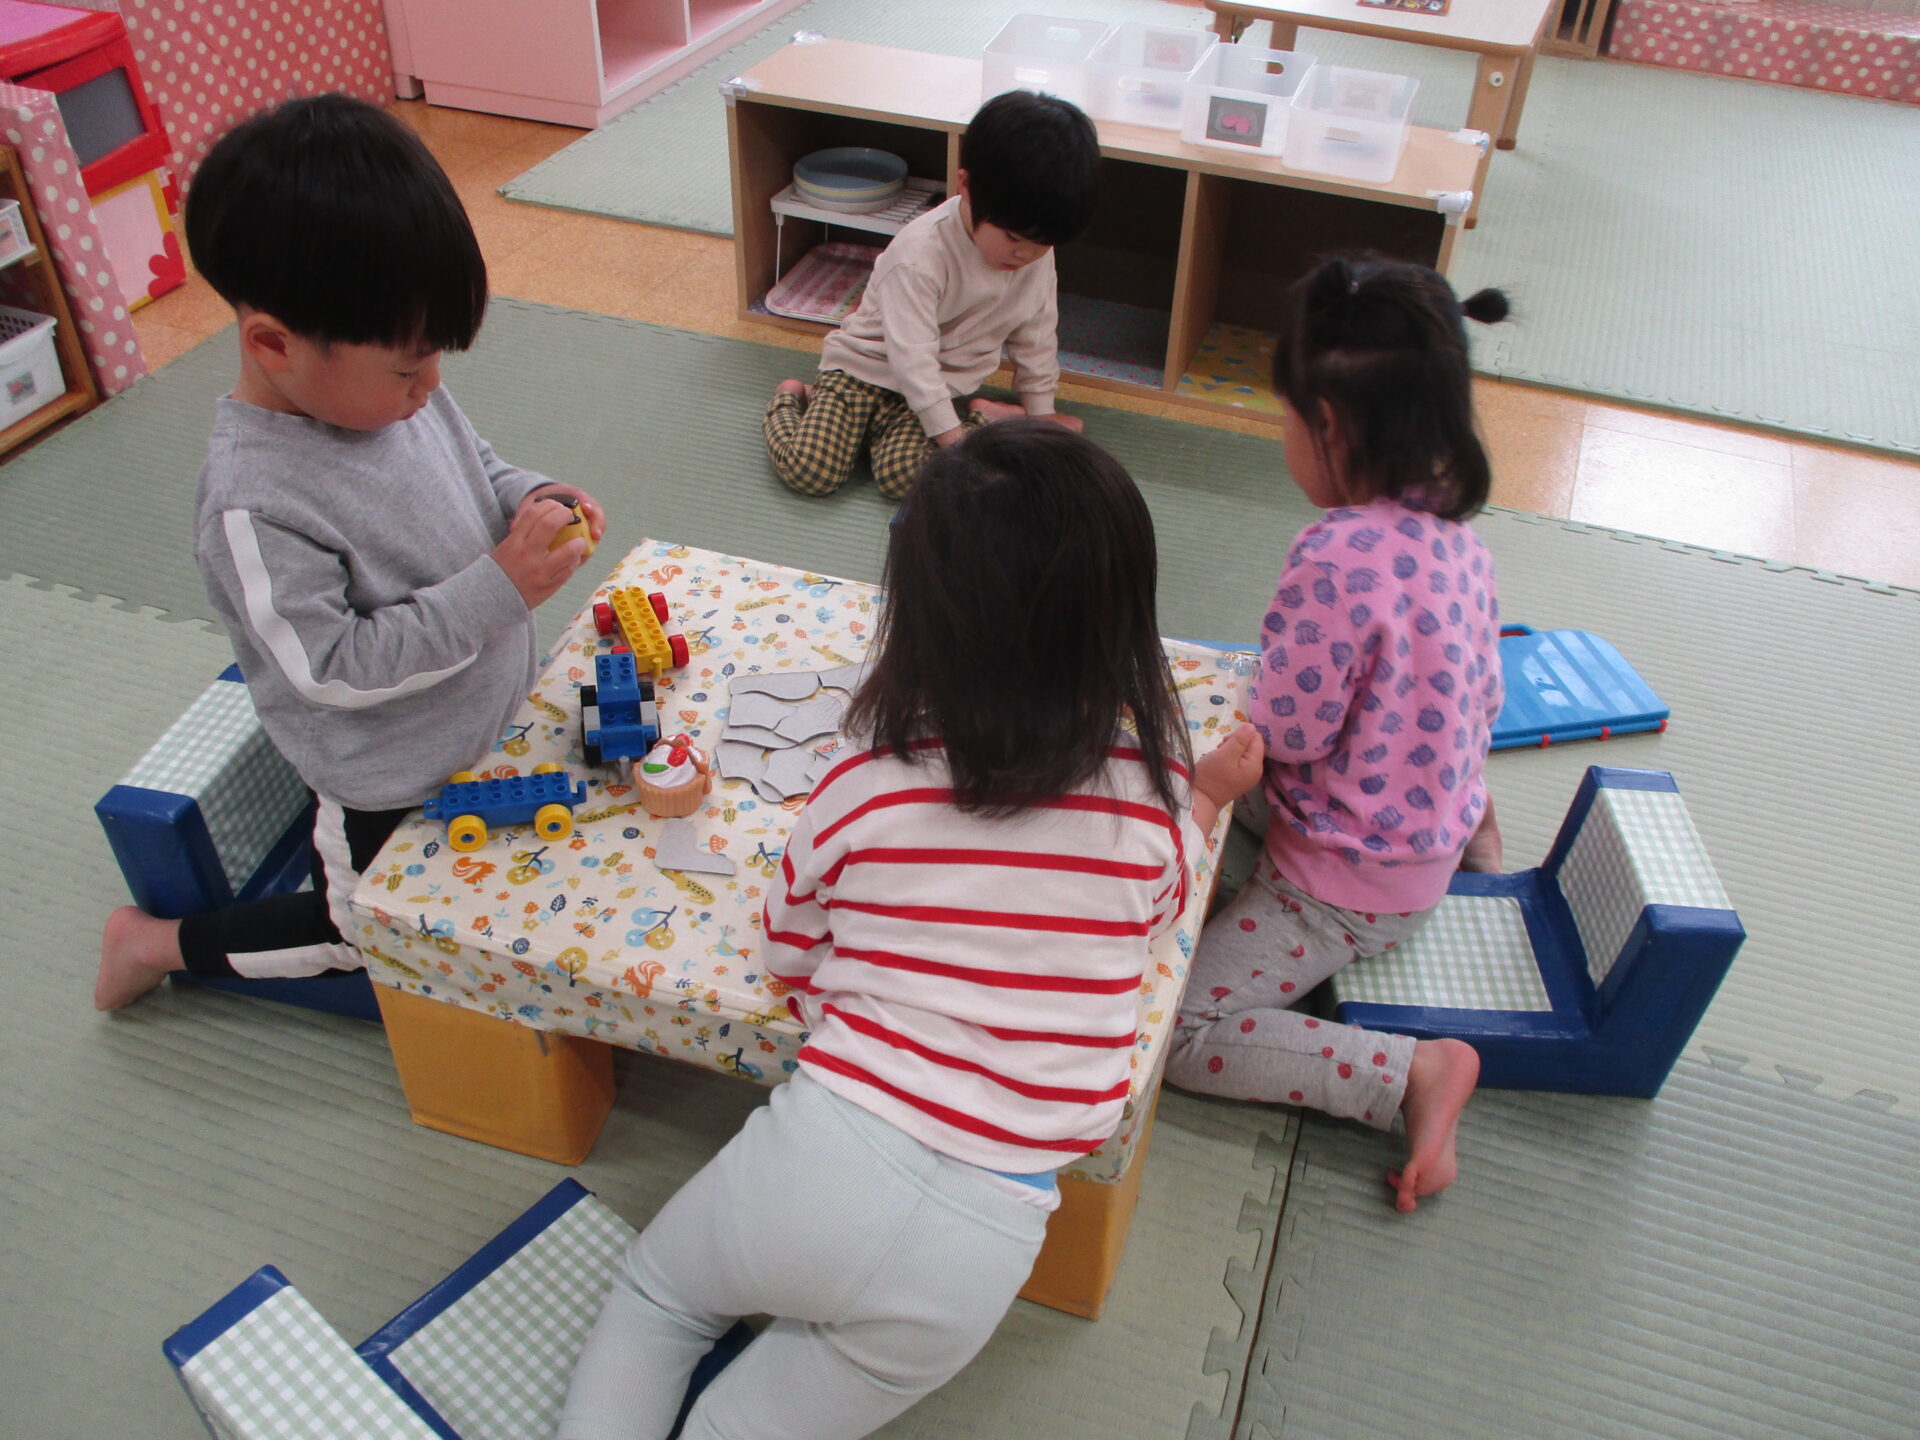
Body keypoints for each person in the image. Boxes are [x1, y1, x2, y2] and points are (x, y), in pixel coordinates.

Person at [557, 420, 1251, 1440]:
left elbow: (786, 943)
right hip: (987, 1245)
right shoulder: (1151, 808)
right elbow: (1162, 909)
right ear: (1121, 628)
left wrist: (843, 978)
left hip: (822, 1152)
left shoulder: (868, 782)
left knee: (660, 1303)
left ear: (917, 620)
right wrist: (1207, 802)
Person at [94, 95, 604, 1011]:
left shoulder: (387, 395)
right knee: (360, 935)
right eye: (410, 367)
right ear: (274, 344)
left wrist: (531, 497)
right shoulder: (254, 501)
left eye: (435, 359)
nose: (431, 386)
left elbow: (476, 466)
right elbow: (331, 670)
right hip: (385, 777)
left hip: (479, 724)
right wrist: (500, 588)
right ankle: (154, 944)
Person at [1163, 254, 1512, 1214]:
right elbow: (1485, 696)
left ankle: (1410, 1075)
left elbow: (1287, 730)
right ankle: (1474, 841)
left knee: (1177, 1029)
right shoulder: (1463, 541)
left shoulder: (1335, 555)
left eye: (1285, 418)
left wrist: (1228, 754)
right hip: (1435, 822)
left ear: (1331, 426)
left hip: (1345, 882)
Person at [763, 90, 1099, 501]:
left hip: (936, 387)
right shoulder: (921, 253)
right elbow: (912, 357)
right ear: (966, 187)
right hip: (864, 371)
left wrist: (1041, 416)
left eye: (1043, 243)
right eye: (1013, 238)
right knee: (811, 470)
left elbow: (1038, 336)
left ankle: (989, 418)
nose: (1025, 255)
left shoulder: (1033, 255)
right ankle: (792, 396)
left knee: (904, 478)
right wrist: (955, 442)